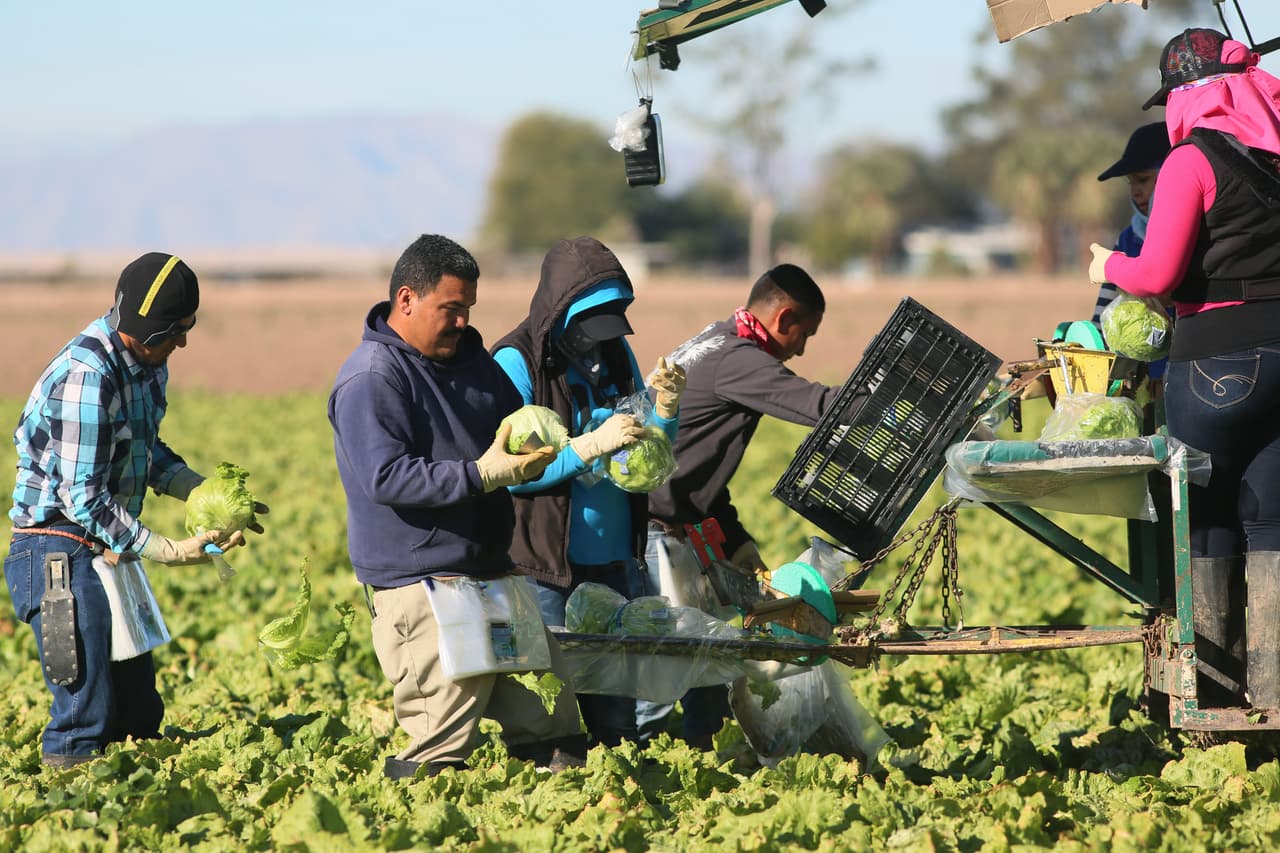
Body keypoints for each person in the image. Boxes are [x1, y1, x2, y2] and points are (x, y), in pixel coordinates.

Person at [328, 234, 587, 779]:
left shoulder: (472, 363)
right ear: (406, 300)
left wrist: (559, 445)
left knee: (554, 722)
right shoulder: (372, 377)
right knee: (440, 747)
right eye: (451, 309)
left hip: (493, 574)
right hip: (422, 587)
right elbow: (386, 476)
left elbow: (517, 423)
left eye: (468, 309)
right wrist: (482, 474)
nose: (463, 322)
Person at [5, 252, 259, 768]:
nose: (182, 342)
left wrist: (200, 489)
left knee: (139, 711)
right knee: (85, 713)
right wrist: (166, 549)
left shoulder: (147, 362)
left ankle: (131, 805)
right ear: (141, 327)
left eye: (187, 328)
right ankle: (73, 817)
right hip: (57, 550)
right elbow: (83, 497)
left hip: (105, 546)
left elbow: (143, 446)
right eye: (175, 331)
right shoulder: (88, 377)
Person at [1089, 29, 1280, 709]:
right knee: (1273, 520)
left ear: (1186, 96)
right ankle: (1274, 697)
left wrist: (1106, 266)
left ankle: (1216, 698)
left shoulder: (1190, 162)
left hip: (1215, 366)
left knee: (1206, 521)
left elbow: (1157, 274)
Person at [491, 236, 684, 748]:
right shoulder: (517, 362)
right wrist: (590, 445)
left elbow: (645, 460)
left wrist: (666, 410)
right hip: (546, 571)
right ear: (559, 312)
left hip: (615, 565)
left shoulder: (615, 353)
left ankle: (619, 788)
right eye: (588, 326)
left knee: (617, 714)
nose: (598, 340)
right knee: (551, 709)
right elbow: (513, 471)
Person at [639, 263, 840, 747]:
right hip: (654, 532)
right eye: (804, 334)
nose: (802, 349)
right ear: (784, 317)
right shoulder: (738, 358)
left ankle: (701, 759)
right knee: (662, 677)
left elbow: (695, 465)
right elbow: (818, 406)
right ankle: (637, 767)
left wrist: (736, 541)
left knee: (708, 666)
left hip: (677, 521)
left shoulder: (716, 338)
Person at [1091, 121, 1172, 326]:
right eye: (1131, 182)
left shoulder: (1199, 235)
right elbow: (1102, 319)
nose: (1135, 191)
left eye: (1143, 180)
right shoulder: (1128, 238)